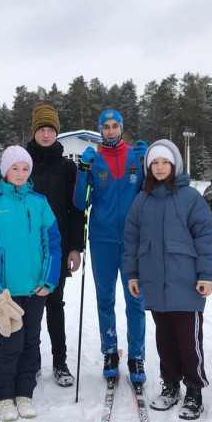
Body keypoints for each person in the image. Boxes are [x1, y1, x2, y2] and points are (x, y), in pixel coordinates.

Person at [123, 140, 212, 420]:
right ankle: (170, 385)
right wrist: (132, 274)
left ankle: (194, 389)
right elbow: (131, 240)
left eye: (165, 162)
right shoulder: (142, 200)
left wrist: (206, 274)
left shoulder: (190, 197)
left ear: (174, 165)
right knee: (165, 339)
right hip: (153, 281)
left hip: (186, 281)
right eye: (155, 163)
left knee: (189, 341)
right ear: (149, 167)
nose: (160, 167)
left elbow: (206, 237)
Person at [0, 146, 61, 422]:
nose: (21, 174)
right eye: (15, 168)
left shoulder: (39, 202)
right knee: (10, 342)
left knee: (31, 342)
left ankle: (24, 393)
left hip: (36, 289)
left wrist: (49, 279)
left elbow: (53, 244)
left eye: (25, 169)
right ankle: (2, 395)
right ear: (5, 170)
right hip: (6, 292)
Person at [73, 108, 147, 382]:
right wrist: (83, 170)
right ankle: (110, 351)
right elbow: (81, 202)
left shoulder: (134, 157)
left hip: (132, 240)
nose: (111, 131)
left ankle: (137, 356)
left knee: (135, 300)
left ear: (121, 128)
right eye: (106, 127)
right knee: (105, 299)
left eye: (115, 126)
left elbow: (150, 191)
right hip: (102, 239)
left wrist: (149, 161)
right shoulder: (95, 160)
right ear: (101, 130)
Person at [25, 104, 85, 387]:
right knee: (29, 304)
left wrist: (75, 247)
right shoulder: (23, 163)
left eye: (50, 129)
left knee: (54, 303)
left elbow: (76, 210)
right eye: (41, 129)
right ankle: (32, 359)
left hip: (56, 247)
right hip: (26, 248)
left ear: (56, 133)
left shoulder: (68, 167)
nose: (46, 134)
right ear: (34, 132)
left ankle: (59, 362)